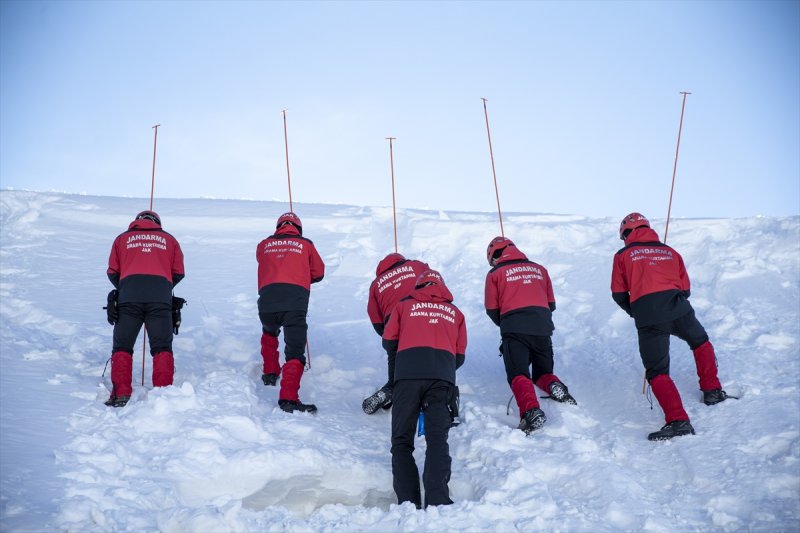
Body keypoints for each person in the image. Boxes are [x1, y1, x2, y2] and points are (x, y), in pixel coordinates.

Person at [611, 212, 730, 441]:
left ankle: (678, 420)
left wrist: (637, 310)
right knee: (700, 341)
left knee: (657, 370)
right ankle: (712, 391)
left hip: (649, 316)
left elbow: (618, 294)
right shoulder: (670, 251)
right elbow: (685, 289)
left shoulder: (623, 254)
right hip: (678, 308)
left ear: (625, 233)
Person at [382, 269, 466, 508]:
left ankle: (408, 502)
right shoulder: (455, 312)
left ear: (418, 286)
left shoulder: (403, 306)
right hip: (442, 379)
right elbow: (459, 357)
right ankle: (438, 500)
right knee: (437, 439)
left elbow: (388, 341)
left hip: (407, 378)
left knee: (401, 441)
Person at [484, 236, 576, 436]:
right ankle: (554, 385)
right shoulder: (540, 269)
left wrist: (508, 322)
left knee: (518, 373)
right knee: (542, 372)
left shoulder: (495, 273)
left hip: (514, 327)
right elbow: (551, 304)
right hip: (542, 325)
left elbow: (492, 308)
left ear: (494, 256)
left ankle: (531, 411)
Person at [105, 210, 185, 407]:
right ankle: (163, 394)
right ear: (157, 222)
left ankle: (121, 393)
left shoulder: (122, 239)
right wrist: (163, 287)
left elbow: (112, 271)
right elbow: (179, 272)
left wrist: (126, 287)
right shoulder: (170, 240)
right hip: (160, 299)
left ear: (136, 221)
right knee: (162, 347)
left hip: (128, 298)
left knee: (123, 345)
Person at [256, 211, 325, 413]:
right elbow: (319, 273)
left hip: (267, 300)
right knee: (295, 351)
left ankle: (270, 373)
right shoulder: (306, 244)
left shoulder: (264, 244)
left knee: (269, 331)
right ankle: (288, 399)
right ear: (299, 228)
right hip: (295, 301)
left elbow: (262, 260)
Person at [363, 252, 430, 414]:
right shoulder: (417, 265)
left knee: (397, 365)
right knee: (429, 357)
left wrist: (389, 337)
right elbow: (434, 283)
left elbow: (375, 317)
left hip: (394, 324)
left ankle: (391, 389)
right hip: (423, 314)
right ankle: (427, 393)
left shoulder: (376, 284)